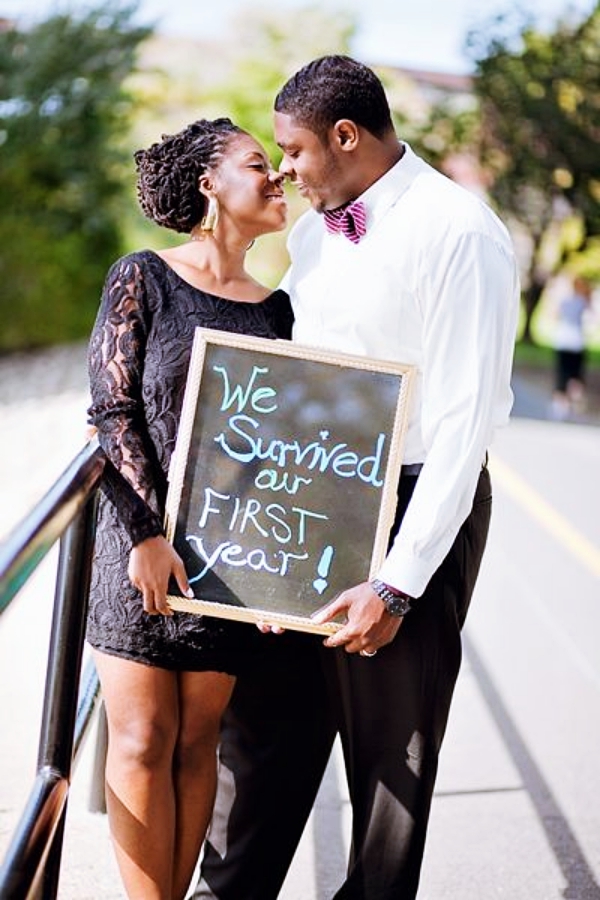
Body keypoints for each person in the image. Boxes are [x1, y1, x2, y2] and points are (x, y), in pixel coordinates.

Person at [194, 56, 520, 900]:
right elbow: (292, 386)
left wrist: (398, 584)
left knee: (389, 760)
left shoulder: (460, 232)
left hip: (411, 506)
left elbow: (462, 429)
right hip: (309, 504)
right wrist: (263, 549)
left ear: (346, 136)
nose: (286, 170)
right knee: (264, 731)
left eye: (294, 151)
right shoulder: (312, 232)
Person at [86, 117, 295, 900]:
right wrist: (144, 532)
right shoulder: (143, 275)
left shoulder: (278, 310)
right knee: (141, 740)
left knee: (197, 743)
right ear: (210, 184)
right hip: (139, 548)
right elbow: (112, 411)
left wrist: (289, 577)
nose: (276, 176)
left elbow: (283, 454)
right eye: (256, 163)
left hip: (229, 558)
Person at [551, 275, 593, 419]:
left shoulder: (565, 300)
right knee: (575, 374)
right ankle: (571, 402)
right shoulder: (582, 301)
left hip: (563, 341)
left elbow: (555, 315)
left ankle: (560, 404)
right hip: (576, 342)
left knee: (563, 373)